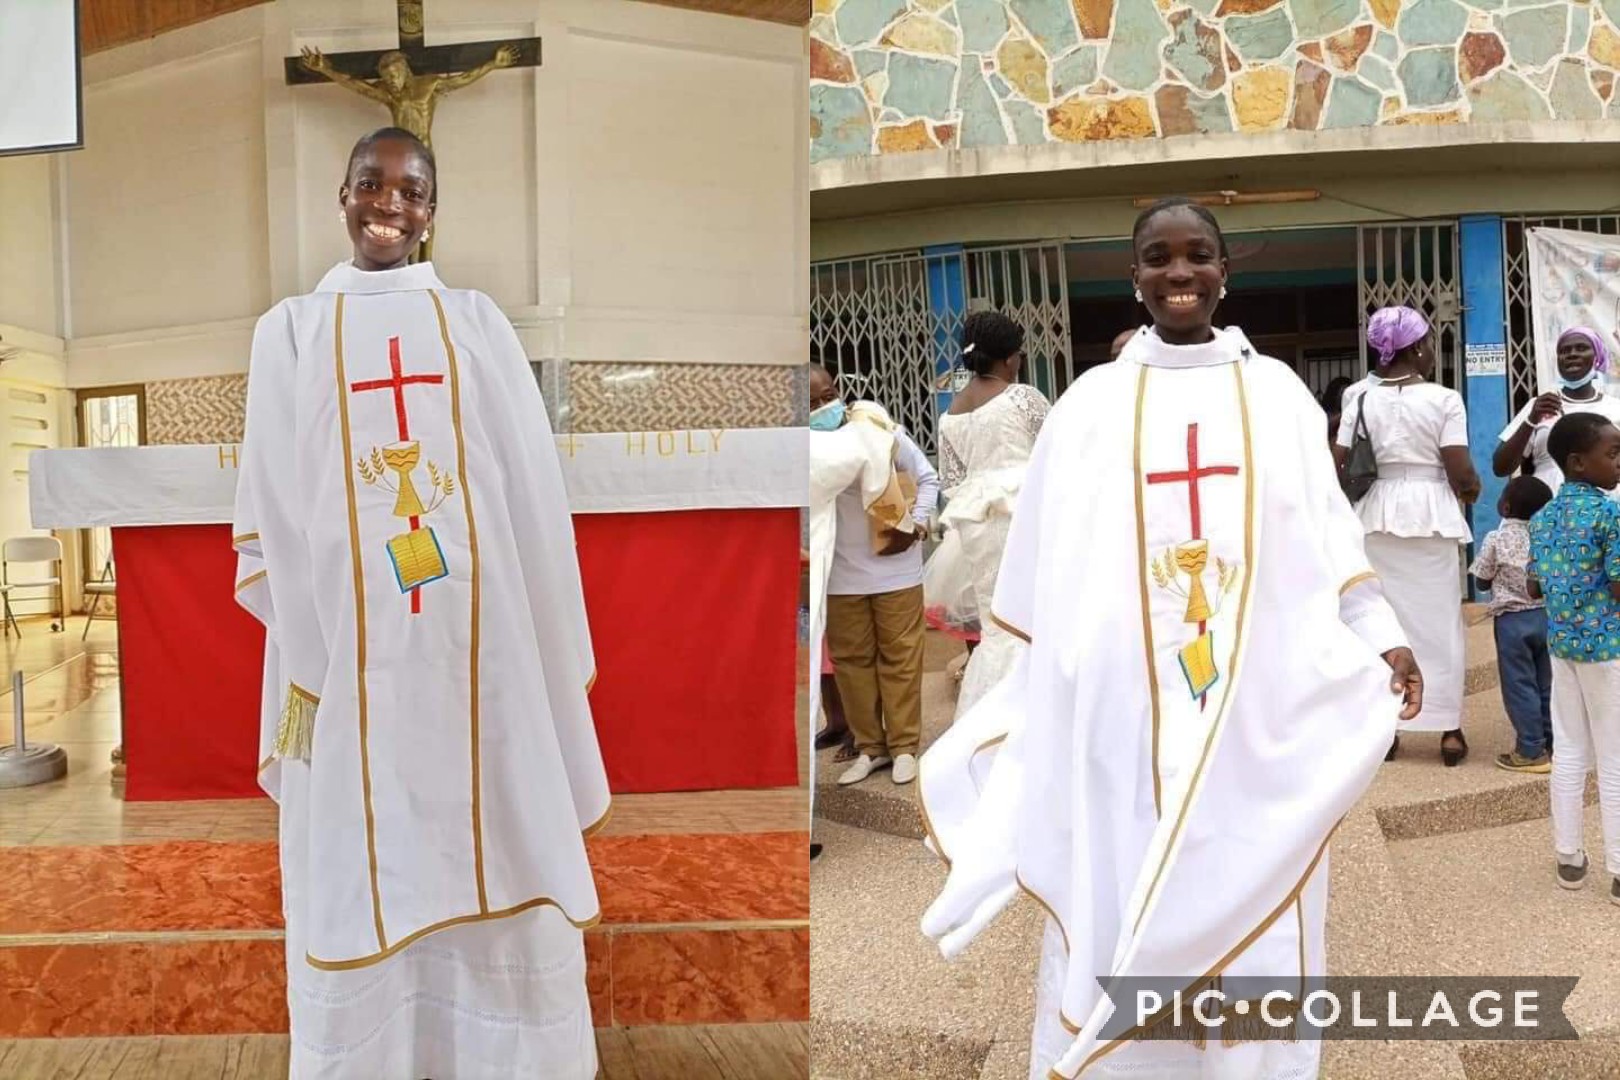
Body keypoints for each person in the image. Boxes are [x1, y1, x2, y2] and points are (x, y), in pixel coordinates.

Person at [919, 197, 1421, 1079]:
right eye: (1159, 257)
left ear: (1226, 270)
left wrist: (1381, 632)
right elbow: (1049, 570)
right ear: (1134, 275)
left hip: (1260, 696)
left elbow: (1327, 538)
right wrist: (1037, 694)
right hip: (1125, 707)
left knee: (1255, 870)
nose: (1179, 274)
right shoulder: (1089, 405)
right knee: (1124, 868)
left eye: (1198, 256)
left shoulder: (1277, 394)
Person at [232, 127, 609, 1079]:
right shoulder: (288, 332)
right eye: (370, 184)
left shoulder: (479, 325)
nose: (388, 204)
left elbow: (528, 493)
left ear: (432, 209)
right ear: (342, 194)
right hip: (345, 654)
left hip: (484, 656)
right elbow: (273, 496)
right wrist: (314, 625)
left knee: (499, 817)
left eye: (409, 190)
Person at [1335, 307, 1480, 765]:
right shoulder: (1444, 398)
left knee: (1382, 621)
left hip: (1375, 513)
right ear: (1417, 347)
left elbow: (1338, 459)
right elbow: (1459, 466)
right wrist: (1470, 491)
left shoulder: (1357, 395)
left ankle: (1391, 725)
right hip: (1430, 512)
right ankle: (1448, 728)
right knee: (1439, 625)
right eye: (1429, 342)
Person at [820, 371, 940, 788]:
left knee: (901, 659)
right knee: (852, 665)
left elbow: (927, 477)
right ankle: (871, 748)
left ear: (839, 391)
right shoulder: (804, 449)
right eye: (812, 402)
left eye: (828, 395)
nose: (823, 407)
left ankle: (904, 746)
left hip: (895, 570)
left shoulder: (880, 431)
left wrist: (918, 523)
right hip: (839, 577)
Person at [933, 311, 1049, 717]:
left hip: (977, 526)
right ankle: (1036, 712)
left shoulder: (951, 416)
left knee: (996, 624)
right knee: (1037, 618)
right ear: (1011, 358)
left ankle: (990, 717)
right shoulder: (1023, 397)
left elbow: (952, 482)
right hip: (1025, 516)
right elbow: (1054, 456)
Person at [1528, 412, 1620, 906]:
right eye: (1613, 454)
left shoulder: (1541, 519)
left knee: (1568, 752)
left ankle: (1569, 860)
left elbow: (1532, 583)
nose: (1619, 463)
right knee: (1615, 756)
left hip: (1563, 647)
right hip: (1610, 651)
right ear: (1578, 463)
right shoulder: (1611, 514)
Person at [1471, 476, 1555, 773]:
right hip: (1546, 618)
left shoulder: (1495, 538)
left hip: (1512, 623)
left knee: (1519, 685)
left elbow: (1480, 580)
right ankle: (1552, 743)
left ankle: (1531, 751)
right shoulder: (1546, 537)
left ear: (1505, 505)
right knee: (1547, 684)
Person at [1494, 328, 1620, 493]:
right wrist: (1531, 419)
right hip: (1549, 509)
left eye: (1581, 348)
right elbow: (1501, 468)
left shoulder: (1615, 408)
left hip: (1607, 511)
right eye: (1564, 351)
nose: (1571, 354)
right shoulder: (1539, 406)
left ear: (1597, 357)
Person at [1321, 375, 1353, 447]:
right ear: (1335, 394)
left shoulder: (1352, 412)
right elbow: (1325, 426)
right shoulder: (1325, 412)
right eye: (1343, 393)